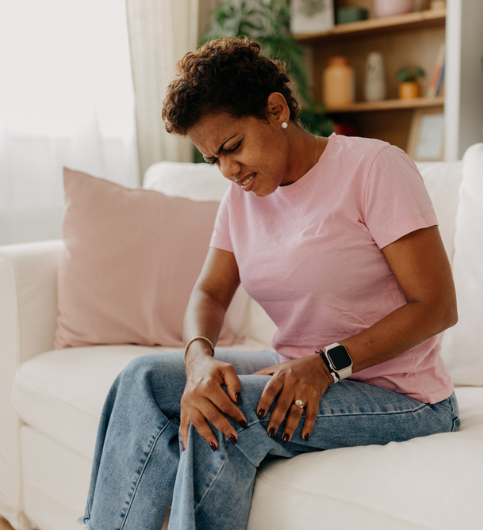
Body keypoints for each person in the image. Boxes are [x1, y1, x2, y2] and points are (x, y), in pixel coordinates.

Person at [78, 37, 460, 530]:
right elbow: (210, 293)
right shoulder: (241, 199)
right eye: (213, 159)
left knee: (226, 413)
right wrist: (199, 363)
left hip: (402, 395)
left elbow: (436, 306)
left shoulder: (373, 168)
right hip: (293, 369)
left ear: (276, 109)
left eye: (232, 147)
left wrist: (325, 366)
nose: (228, 171)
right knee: (145, 379)